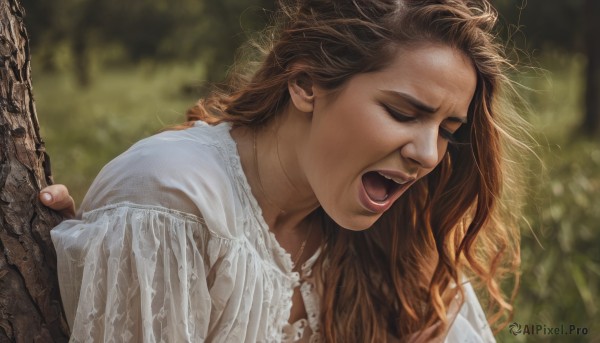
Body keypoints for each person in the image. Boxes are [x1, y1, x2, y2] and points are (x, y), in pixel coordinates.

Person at [41, 0, 529, 341]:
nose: (427, 154)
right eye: (403, 113)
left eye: (447, 130)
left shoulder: (395, 244)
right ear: (305, 84)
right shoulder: (172, 202)